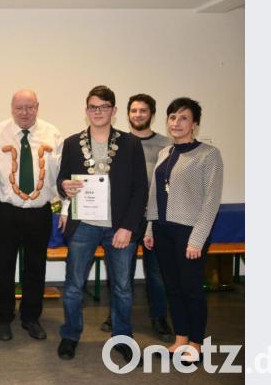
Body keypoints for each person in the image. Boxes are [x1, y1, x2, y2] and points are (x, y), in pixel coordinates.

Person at [55, 86, 148, 362]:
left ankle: (122, 338)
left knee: (122, 287)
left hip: (119, 227)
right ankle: (70, 334)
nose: (98, 112)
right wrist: (65, 186)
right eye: (93, 107)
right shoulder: (72, 143)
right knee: (73, 285)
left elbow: (140, 189)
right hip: (83, 224)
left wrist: (128, 227)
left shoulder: (131, 144)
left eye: (104, 107)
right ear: (86, 111)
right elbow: (61, 180)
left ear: (114, 111)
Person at [144, 97, 223, 364]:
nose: (176, 123)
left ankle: (196, 342)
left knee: (191, 289)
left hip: (189, 233)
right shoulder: (165, 153)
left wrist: (197, 239)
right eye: (172, 117)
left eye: (184, 118)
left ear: (195, 124)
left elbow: (211, 201)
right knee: (173, 287)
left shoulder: (208, 155)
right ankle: (180, 338)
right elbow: (155, 194)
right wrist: (150, 228)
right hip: (163, 230)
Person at [0, 89, 62, 342]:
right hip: (7, 212)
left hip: (40, 212)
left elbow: (62, 175)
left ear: (37, 107)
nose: (25, 113)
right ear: (11, 108)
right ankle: (4, 318)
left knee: (35, 268)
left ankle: (31, 317)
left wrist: (66, 206)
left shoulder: (52, 133)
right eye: (19, 108)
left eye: (30, 107)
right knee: (3, 267)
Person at [101, 94, 174, 341]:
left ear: (152, 114)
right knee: (121, 271)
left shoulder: (167, 144)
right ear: (127, 113)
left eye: (143, 111)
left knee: (157, 272)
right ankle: (116, 316)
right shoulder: (118, 143)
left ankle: (159, 317)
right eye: (134, 110)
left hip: (156, 217)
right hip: (126, 218)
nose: (138, 115)